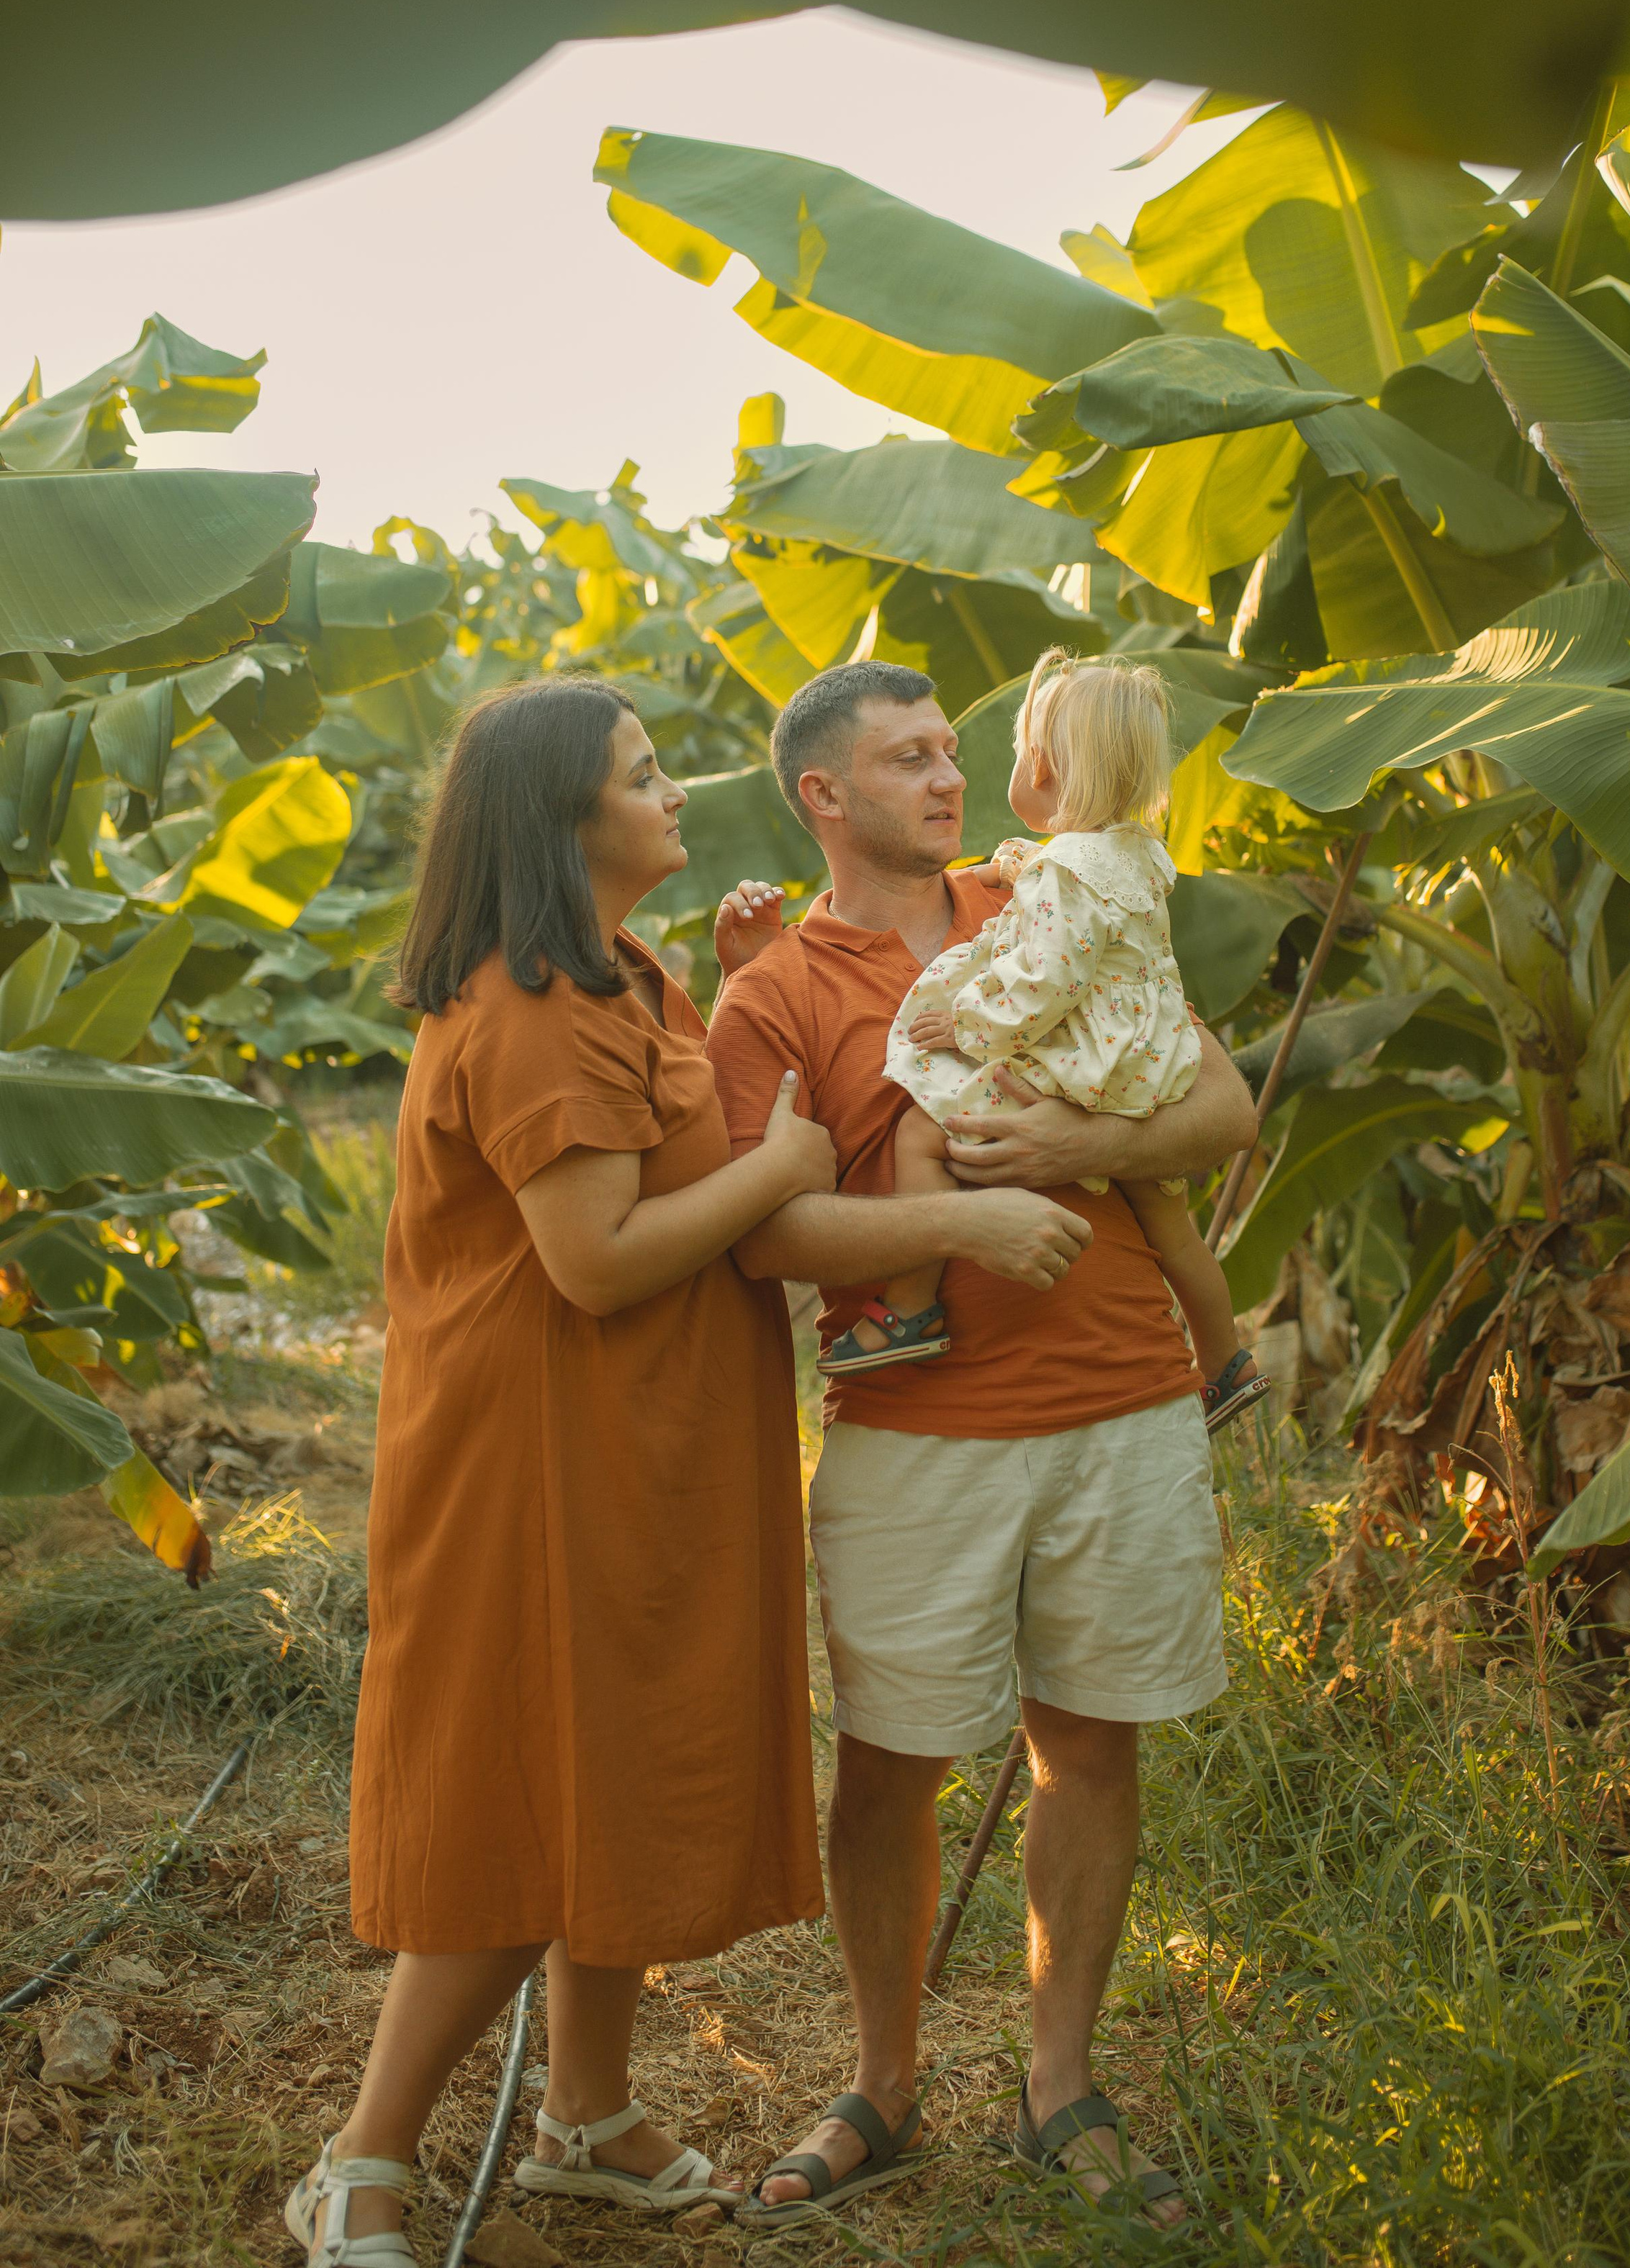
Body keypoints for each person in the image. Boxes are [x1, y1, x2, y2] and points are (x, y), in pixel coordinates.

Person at [704, 658, 1260, 2228]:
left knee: (1089, 1745)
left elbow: (1215, 1104)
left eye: (952, 750)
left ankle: (1056, 2083)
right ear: (822, 796)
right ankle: (882, 2082)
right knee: (890, 1765)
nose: (945, 780)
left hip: (1125, 1401)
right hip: (911, 1430)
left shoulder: (1049, 896)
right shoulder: (774, 993)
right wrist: (970, 1216)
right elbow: (765, 1234)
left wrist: (1086, 1148)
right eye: (903, 760)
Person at [288, 677, 833, 2266]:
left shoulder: (625, 973)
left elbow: (661, 1145)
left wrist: (736, 999)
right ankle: (361, 2164)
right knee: (526, 1791)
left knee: (620, 1764)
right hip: (537, 1458)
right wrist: (785, 1169)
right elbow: (593, 1262)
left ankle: (583, 2118)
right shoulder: (528, 1009)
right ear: (563, 822)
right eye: (644, 775)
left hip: (637, 1442)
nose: (675, 793)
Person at [822, 645, 1245, 1393]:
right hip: (1147, 1064)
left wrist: (967, 1024)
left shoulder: (1060, 875)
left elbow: (1042, 979)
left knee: (922, 1132)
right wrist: (1012, 868)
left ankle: (910, 1310)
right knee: (1172, 1229)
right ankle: (1225, 1362)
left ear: (1041, 769)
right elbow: (1077, 893)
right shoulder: (1137, 853)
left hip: (1083, 1064)